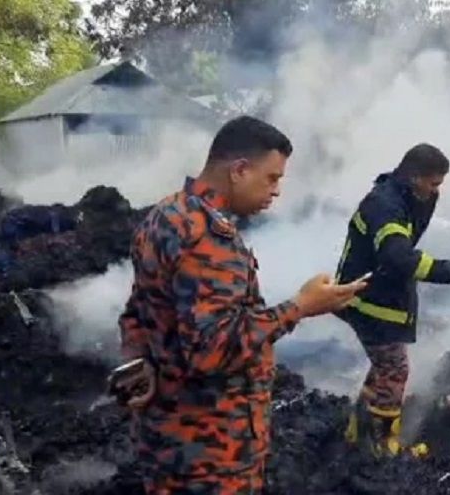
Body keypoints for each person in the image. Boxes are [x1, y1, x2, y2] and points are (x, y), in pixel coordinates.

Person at [116, 116, 367, 494]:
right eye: (272, 178)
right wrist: (301, 305)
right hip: (212, 456)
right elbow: (211, 350)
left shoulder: (166, 215)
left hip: (165, 442)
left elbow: (137, 311)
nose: (277, 191)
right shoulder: (207, 238)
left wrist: (138, 363)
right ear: (239, 170)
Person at [335, 143, 450, 457]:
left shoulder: (409, 196)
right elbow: (397, 257)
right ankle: (382, 446)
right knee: (394, 368)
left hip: (377, 294)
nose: (437, 191)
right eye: (434, 183)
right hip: (368, 299)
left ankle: (358, 430)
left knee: (383, 366)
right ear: (414, 177)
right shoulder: (385, 205)